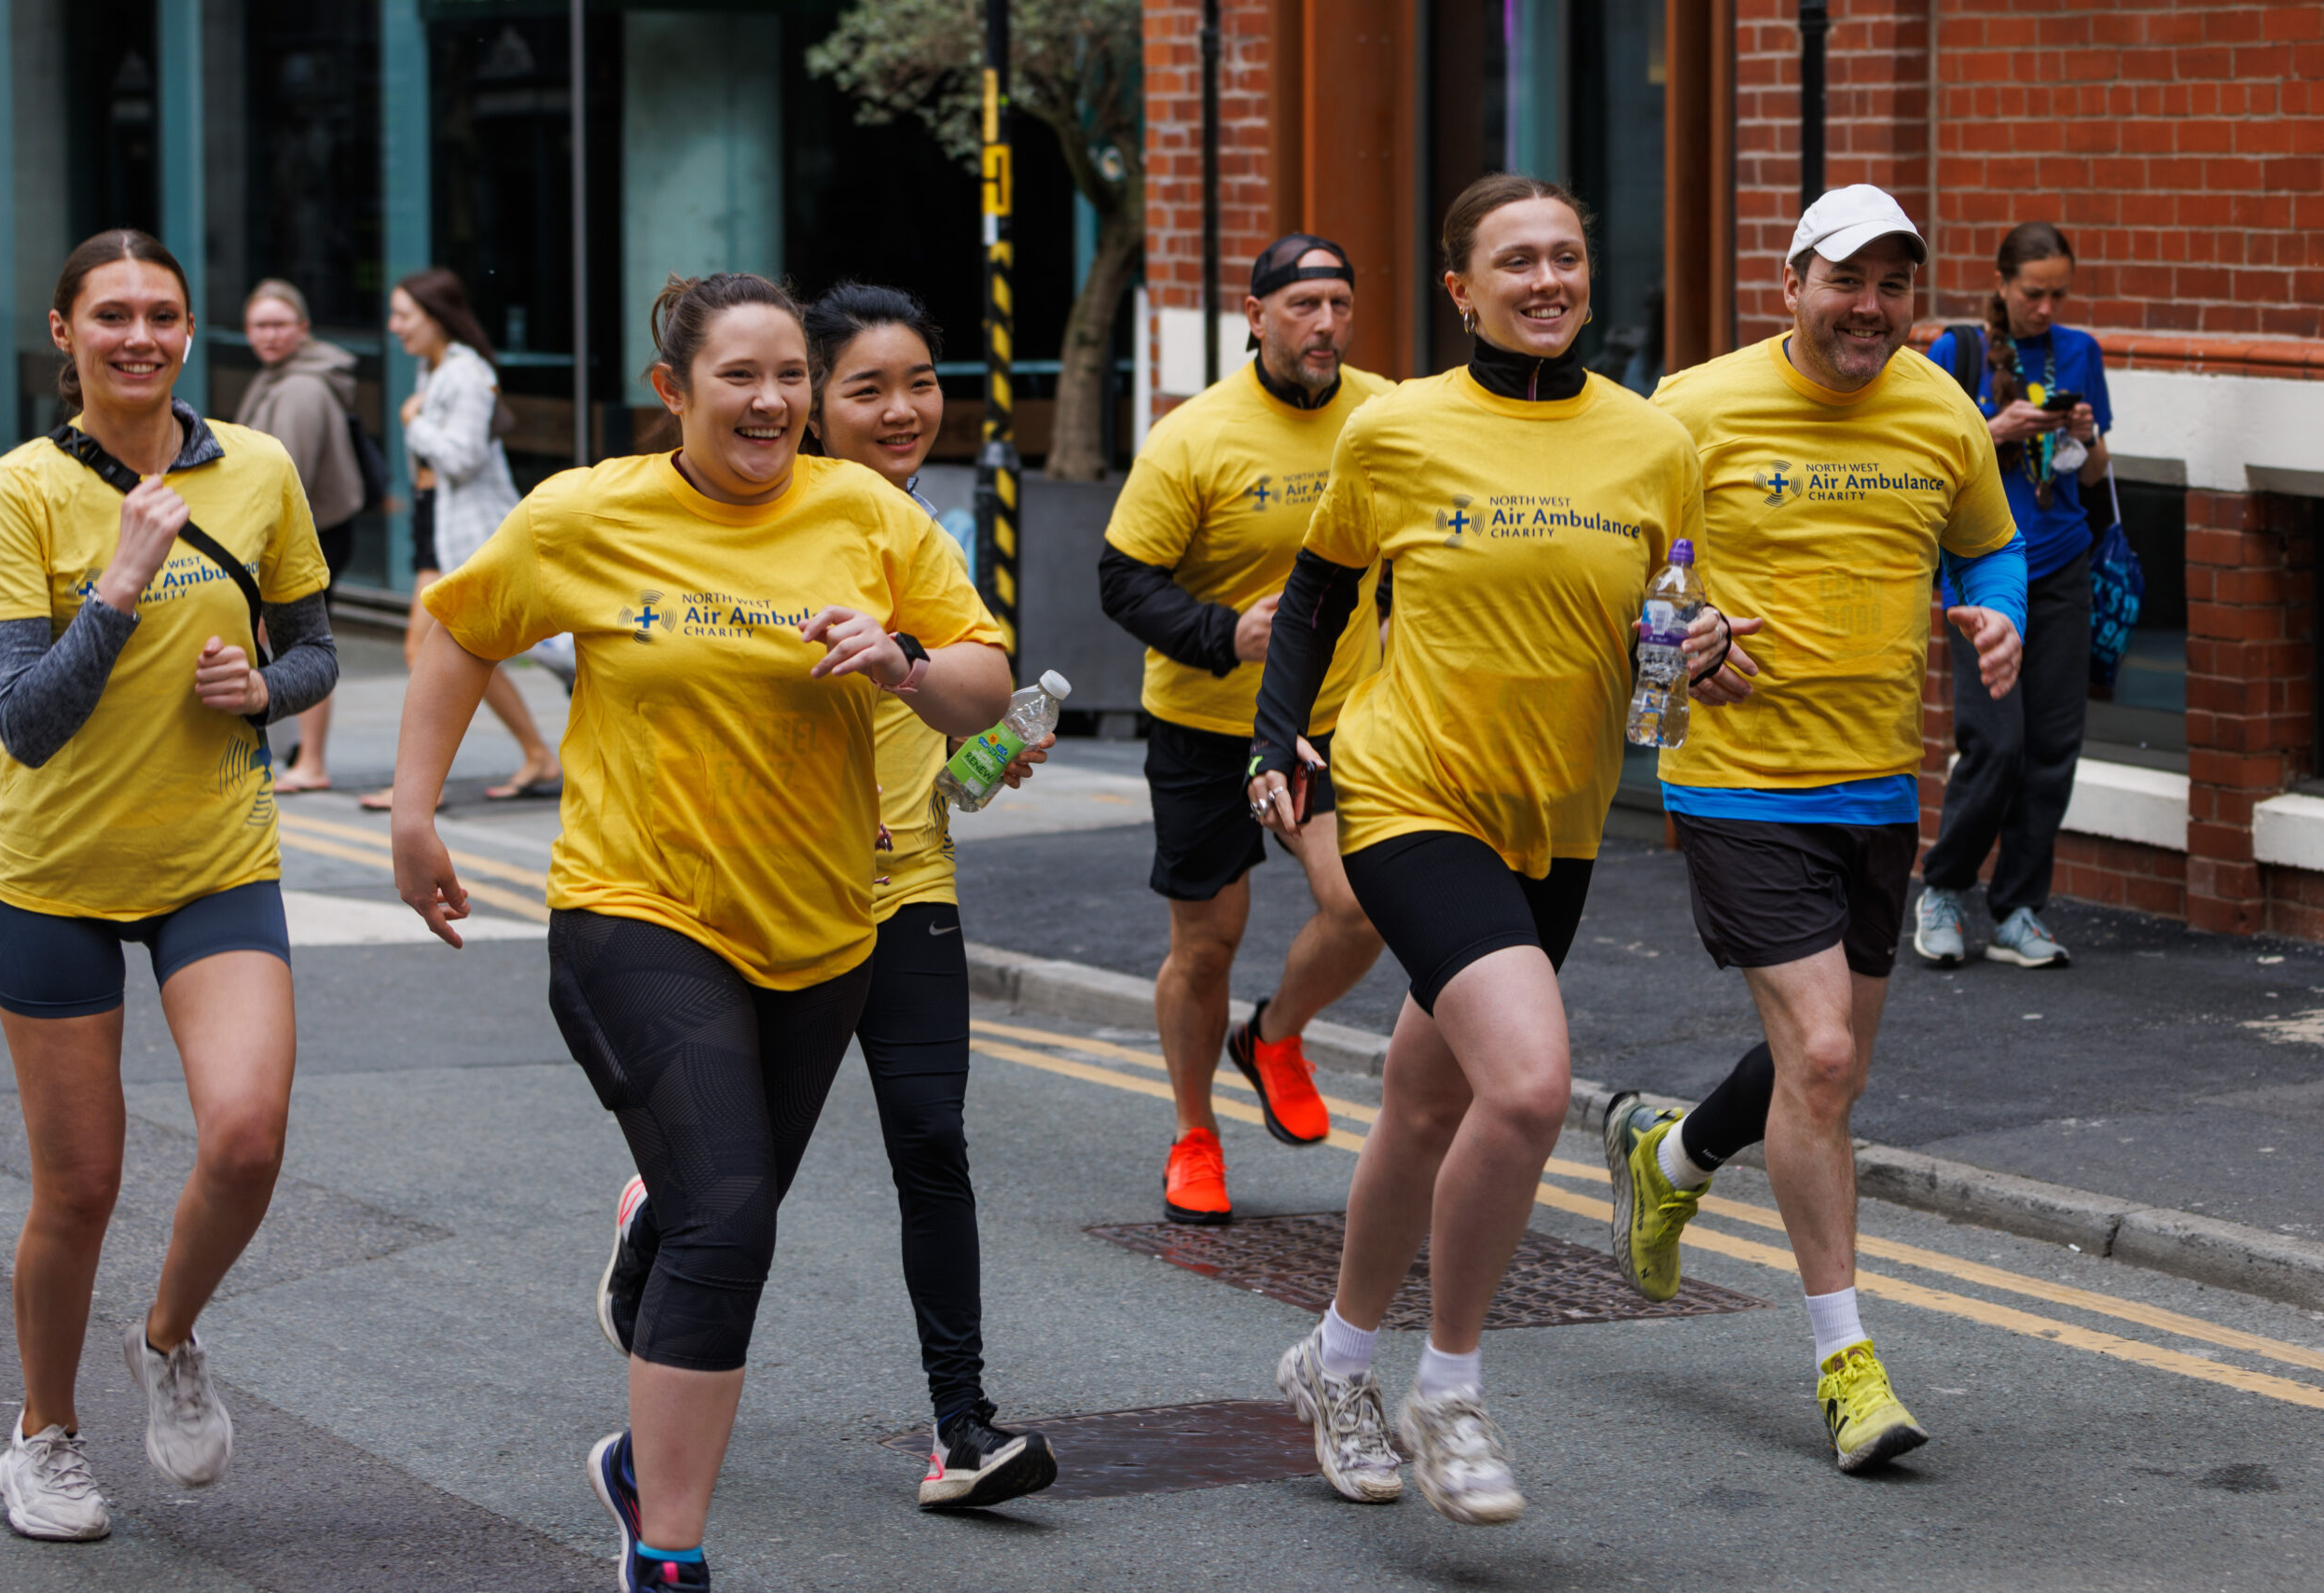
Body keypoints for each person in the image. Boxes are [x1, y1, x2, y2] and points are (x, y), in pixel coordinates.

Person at [389, 271, 1011, 1592]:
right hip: (637, 911)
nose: (774, 399)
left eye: (791, 373)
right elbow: (455, 627)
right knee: (732, 1221)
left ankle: (640, 1385)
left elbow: (984, 685)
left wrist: (901, 659)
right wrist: (412, 811)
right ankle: (667, 1548)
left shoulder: (870, 515)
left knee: (717, 1208)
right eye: (741, 374)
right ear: (674, 391)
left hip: (823, 933)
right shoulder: (587, 516)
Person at [1253, 175, 1708, 1525]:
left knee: (1428, 1101)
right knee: (1525, 1087)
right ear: (1462, 291)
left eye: (1568, 254)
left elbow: (1676, 622)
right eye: (1518, 261)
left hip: (1554, 820)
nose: (1550, 279)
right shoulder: (1397, 430)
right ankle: (1446, 1390)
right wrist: (1279, 743)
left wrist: (1712, 657)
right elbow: (1319, 588)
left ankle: (1332, 1360)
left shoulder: (1651, 441)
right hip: (1408, 794)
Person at [592, 281, 1058, 1511]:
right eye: (866, 387)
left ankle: (963, 1427)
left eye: (920, 384)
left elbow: (941, 757)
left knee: (933, 1149)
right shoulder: (746, 534)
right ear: (800, 396)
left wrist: (987, 753)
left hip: (907, 892)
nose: (902, 411)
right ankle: (658, 1247)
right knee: (746, 1191)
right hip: (757, 905)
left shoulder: (930, 545)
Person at [1600, 184, 2025, 1475]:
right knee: (1827, 1058)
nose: (1873, 309)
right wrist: (1681, 638)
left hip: (1877, 788)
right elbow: (1617, 582)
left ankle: (1668, 1154)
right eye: (1849, 281)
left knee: (1819, 1073)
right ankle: (1848, 1367)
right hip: (1737, 782)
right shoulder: (1694, 406)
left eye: (1896, 284)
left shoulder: (1942, 408)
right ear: (1792, 281)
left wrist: (1999, 614)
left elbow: (1989, 548)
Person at [0, 230, 337, 1541]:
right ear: (64, 333)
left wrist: (266, 691)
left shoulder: (261, 467)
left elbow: (316, 650)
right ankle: (42, 1438)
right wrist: (116, 588)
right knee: (78, 1189)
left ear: (192, 332)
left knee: (245, 1136)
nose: (139, 336)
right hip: (58, 878)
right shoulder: (20, 492)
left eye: (162, 314)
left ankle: (167, 1337)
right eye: (110, 314)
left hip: (214, 862)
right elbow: (22, 723)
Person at [1099, 233, 1393, 1226]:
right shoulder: (1195, 435)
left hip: (1332, 721)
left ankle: (1273, 1035)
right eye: (1303, 306)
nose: (1324, 325)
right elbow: (1123, 578)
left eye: (1340, 305)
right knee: (1208, 942)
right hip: (1207, 722)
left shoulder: (1387, 414)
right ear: (1256, 318)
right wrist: (1226, 630)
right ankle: (1193, 1129)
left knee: (1359, 906)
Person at [1915, 222, 2111, 969]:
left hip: (2061, 564)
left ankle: (2020, 910)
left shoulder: (2080, 353)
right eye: (2034, 293)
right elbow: (1929, 464)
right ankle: (1943, 888)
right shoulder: (1953, 354)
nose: (2047, 307)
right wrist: (1995, 429)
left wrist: (2086, 433)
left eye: (2060, 292)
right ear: (2001, 285)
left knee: (2053, 748)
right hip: (1982, 571)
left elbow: (2092, 481)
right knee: (1995, 744)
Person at [360, 267, 561, 810]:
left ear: (436, 316)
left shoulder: (467, 374)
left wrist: (413, 423)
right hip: (436, 522)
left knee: (445, 647)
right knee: (447, 648)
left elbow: (464, 456)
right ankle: (534, 753)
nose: (394, 326)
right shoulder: (435, 370)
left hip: (468, 526)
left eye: (404, 315)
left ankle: (430, 783)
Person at [235, 278, 366, 795]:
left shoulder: (301, 387)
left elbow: (288, 477)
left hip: (309, 535)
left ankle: (311, 760)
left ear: (302, 329)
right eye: (259, 325)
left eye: (279, 324)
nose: (269, 335)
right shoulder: (281, 376)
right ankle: (295, 750)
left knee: (303, 643)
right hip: (308, 531)